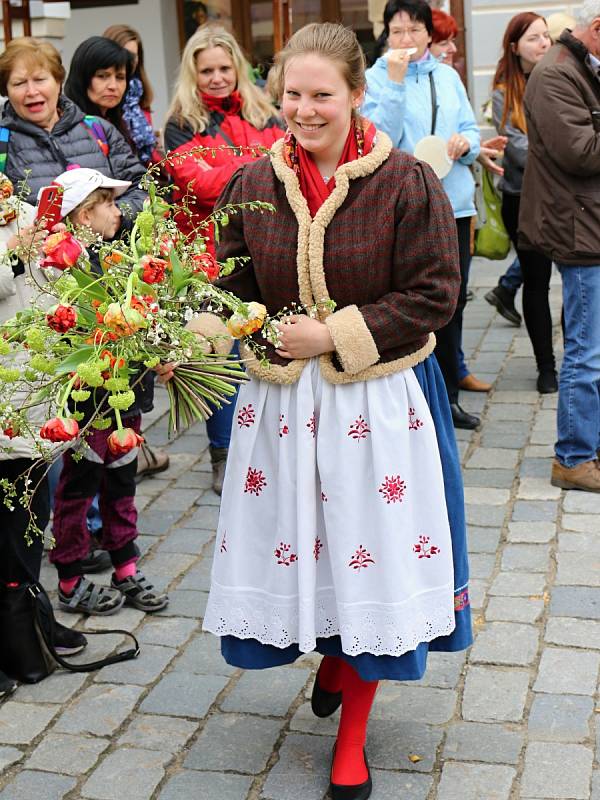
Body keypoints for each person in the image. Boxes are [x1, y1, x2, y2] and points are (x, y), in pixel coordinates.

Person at [200, 22, 471, 800]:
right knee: (312, 551)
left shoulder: (406, 181)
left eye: (323, 95)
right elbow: (234, 286)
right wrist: (223, 326)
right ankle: (331, 656)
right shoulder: (252, 182)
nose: (305, 110)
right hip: (283, 410)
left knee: (369, 554)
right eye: (292, 94)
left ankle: (352, 738)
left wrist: (335, 333)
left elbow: (434, 294)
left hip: (376, 404)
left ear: (357, 94)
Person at [164, 26, 284, 492]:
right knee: (219, 359)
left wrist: (234, 168)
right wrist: (259, 166)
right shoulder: (181, 122)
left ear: (237, 67)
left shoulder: (264, 111)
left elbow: (288, 164)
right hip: (207, 254)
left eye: (223, 67)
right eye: (206, 70)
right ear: (193, 74)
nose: (216, 78)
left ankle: (272, 447)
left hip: (267, 249)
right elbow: (198, 184)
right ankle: (223, 454)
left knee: (269, 350)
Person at [46, 168, 168, 614]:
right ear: (83, 214)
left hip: (125, 396)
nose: (119, 212)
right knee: (79, 490)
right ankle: (70, 578)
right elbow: (65, 337)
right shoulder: (64, 271)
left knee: (122, 482)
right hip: (88, 401)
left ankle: (125, 567)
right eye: (109, 204)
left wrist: (160, 349)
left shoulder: (119, 258)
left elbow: (145, 317)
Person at [362, 0, 483, 429]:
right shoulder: (373, 80)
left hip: (455, 205)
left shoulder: (447, 77)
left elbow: (471, 129)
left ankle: (448, 397)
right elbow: (382, 138)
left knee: (453, 302)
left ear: (430, 35)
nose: (406, 39)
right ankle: (413, 402)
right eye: (396, 31)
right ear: (385, 35)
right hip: (405, 210)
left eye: (414, 30)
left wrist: (466, 144)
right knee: (412, 306)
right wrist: (394, 82)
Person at [0, 176, 87, 693]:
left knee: (30, 514)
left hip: (27, 388)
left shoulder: (19, 205)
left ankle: (30, 619)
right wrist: (13, 255)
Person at [519, 0, 600, 490]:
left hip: (591, 223)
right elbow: (582, 152)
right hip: (581, 230)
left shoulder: (581, 66)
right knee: (586, 353)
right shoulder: (555, 74)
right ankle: (572, 458)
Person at [490, 13, 557, 394]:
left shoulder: (563, 79)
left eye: (547, 36)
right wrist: (563, 153)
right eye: (534, 38)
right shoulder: (504, 91)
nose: (544, 43)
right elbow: (518, 151)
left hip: (567, 200)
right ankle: (546, 367)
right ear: (515, 47)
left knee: (579, 282)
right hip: (523, 199)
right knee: (536, 283)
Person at [103, 25, 159, 165]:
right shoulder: (106, 98)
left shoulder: (137, 95)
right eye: (124, 53)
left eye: (133, 56)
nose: (128, 60)